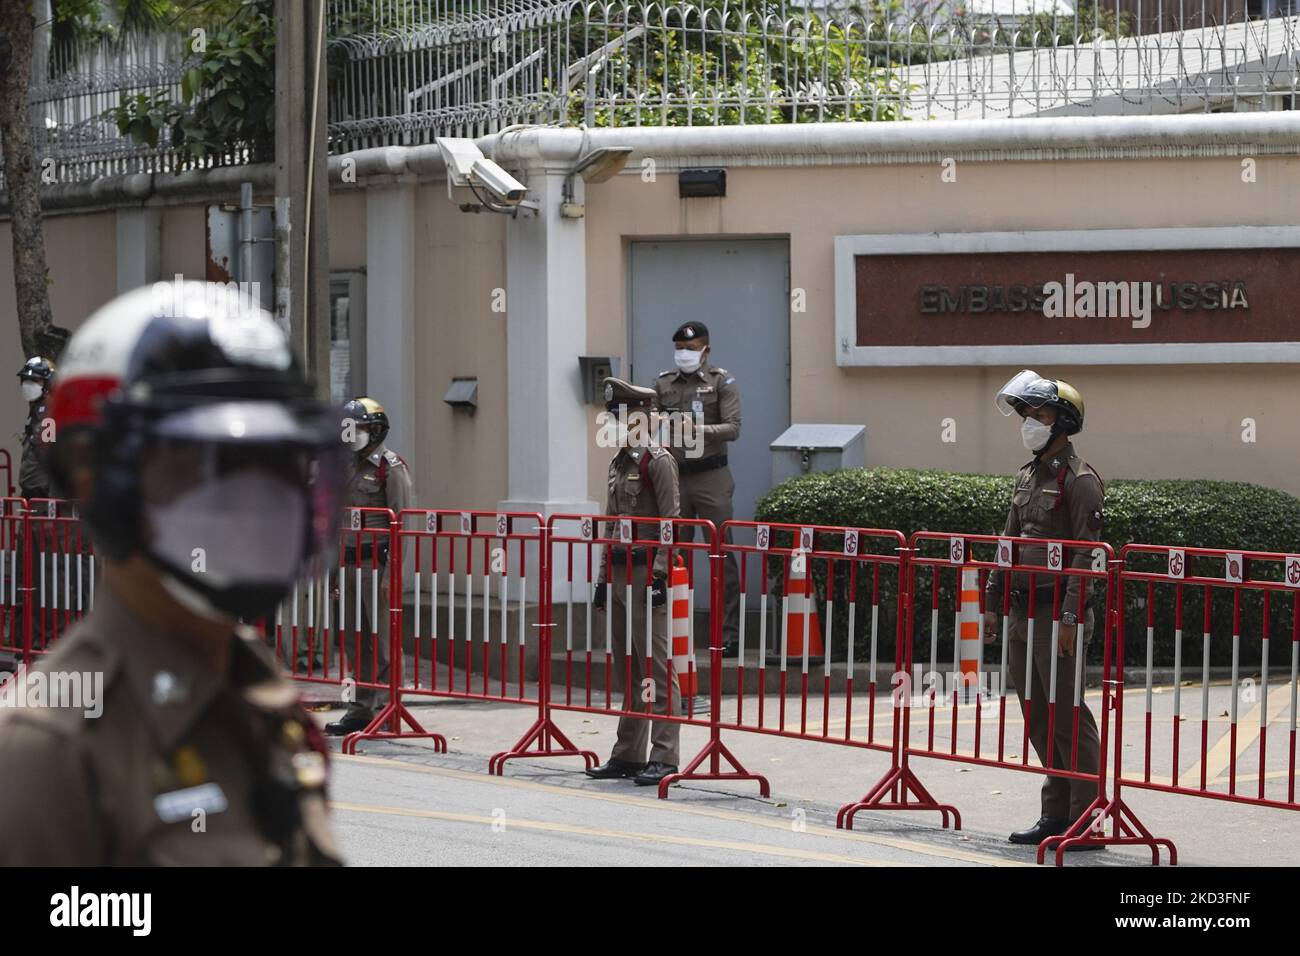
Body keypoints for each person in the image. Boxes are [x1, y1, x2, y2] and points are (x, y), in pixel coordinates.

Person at [0, 282, 345, 865]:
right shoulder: (46, 751)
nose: (257, 501)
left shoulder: (263, 698)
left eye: (278, 462)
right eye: (211, 464)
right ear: (97, 482)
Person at [983, 369, 1104, 849]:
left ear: (1063, 422)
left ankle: (1087, 818)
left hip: (1058, 616)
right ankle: (1054, 815)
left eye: (1040, 414)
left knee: (1067, 716)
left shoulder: (1081, 482)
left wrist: (1072, 617)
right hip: (1020, 612)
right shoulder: (1027, 476)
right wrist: (992, 602)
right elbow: (1007, 543)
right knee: (1037, 715)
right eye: (1027, 414)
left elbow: (1087, 557)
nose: (1030, 422)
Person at [586, 377, 681, 787]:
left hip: (646, 573)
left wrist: (660, 573)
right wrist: (604, 577)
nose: (617, 424)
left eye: (623, 416)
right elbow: (611, 523)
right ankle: (628, 753)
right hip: (622, 571)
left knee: (657, 666)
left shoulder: (657, 461)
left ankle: (664, 756)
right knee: (628, 666)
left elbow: (670, 522)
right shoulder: (619, 461)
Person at [653, 321, 743, 656]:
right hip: (675, 476)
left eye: (690, 349)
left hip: (711, 477)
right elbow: (650, 421)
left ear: (705, 350)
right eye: (679, 349)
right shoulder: (663, 382)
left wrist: (698, 428)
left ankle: (727, 634)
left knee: (721, 554)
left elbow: (733, 428)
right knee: (673, 554)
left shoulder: (721, 381)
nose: (683, 355)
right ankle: (673, 631)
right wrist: (658, 424)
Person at [324, 396, 412, 736]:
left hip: (377, 568)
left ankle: (389, 710)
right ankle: (360, 709)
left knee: (384, 642)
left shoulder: (390, 468)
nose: (350, 434)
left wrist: (393, 575)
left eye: (357, 428)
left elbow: (402, 524)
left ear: (375, 430)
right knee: (352, 640)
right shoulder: (346, 466)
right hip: (347, 567)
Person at [16, 356, 55, 498]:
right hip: (30, 494)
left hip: (43, 497)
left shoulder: (50, 414)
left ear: (48, 383)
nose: (28, 384)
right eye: (26, 379)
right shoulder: (36, 412)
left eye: (35, 380)